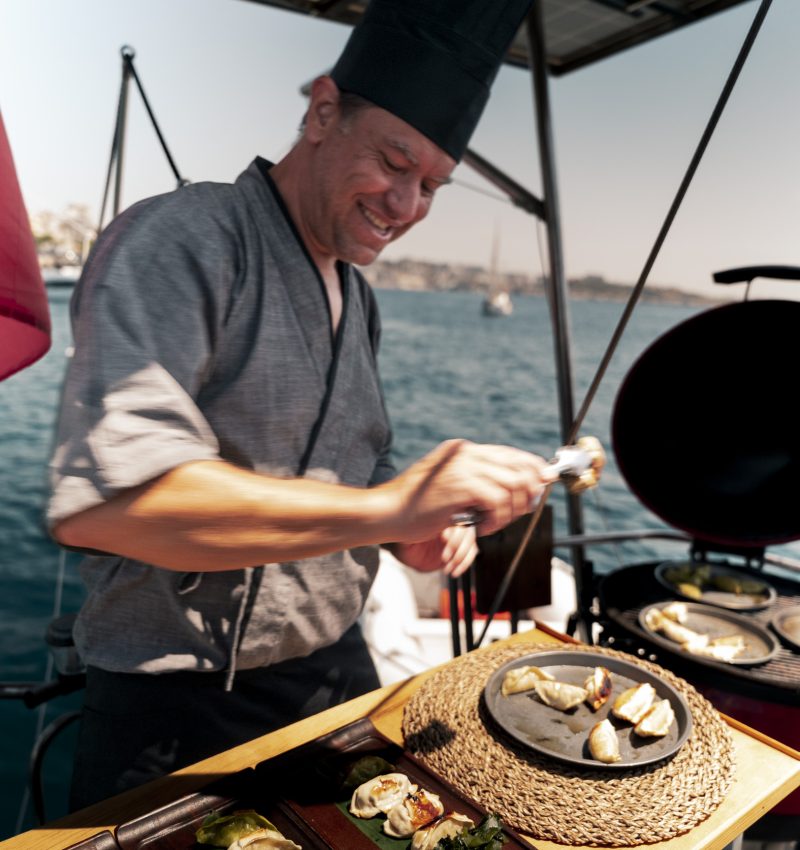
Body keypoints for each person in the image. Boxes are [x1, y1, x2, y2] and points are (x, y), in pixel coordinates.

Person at [47, 0, 547, 810]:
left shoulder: (359, 295)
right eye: (395, 161)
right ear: (322, 111)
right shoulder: (188, 239)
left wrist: (406, 533)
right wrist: (388, 508)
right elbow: (112, 502)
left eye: (432, 186)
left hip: (331, 675)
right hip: (174, 701)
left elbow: (360, 465)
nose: (408, 205)